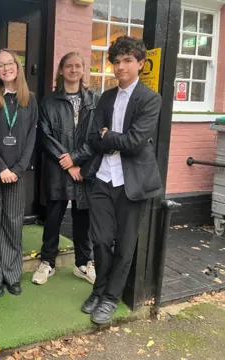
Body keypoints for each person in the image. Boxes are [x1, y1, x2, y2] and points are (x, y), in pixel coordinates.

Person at [80, 36, 162, 324]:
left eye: (127, 61)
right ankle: (98, 290)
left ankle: (111, 298)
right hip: (103, 177)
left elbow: (136, 142)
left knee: (125, 245)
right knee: (101, 241)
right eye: (116, 61)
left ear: (140, 63)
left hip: (132, 182)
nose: (120, 67)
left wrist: (109, 138)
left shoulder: (150, 99)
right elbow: (92, 137)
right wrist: (112, 141)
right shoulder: (105, 97)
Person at [32, 52, 99, 286]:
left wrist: (78, 160)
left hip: (84, 168)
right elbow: (45, 136)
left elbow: (96, 136)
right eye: (68, 66)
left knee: (84, 217)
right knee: (53, 217)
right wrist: (67, 162)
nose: (73, 70)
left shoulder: (93, 101)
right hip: (58, 167)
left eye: (78, 66)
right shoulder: (48, 102)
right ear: (60, 70)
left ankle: (83, 263)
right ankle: (47, 262)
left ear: (83, 70)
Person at [0, 49, 38, 297]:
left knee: (13, 225)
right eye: (0, 65)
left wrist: (18, 169)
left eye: (9, 63)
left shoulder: (29, 99)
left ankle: (12, 275)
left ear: (18, 65)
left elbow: (31, 136)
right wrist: (1, 167)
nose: (5, 68)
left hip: (17, 174)